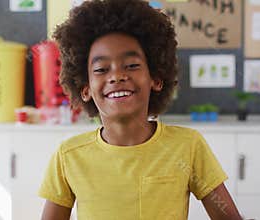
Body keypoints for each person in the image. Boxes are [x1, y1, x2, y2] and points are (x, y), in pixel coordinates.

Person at [38, 0, 242, 219]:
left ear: (155, 78)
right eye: (101, 69)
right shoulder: (69, 156)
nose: (116, 76)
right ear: (85, 88)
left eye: (132, 65)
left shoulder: (188, 146)